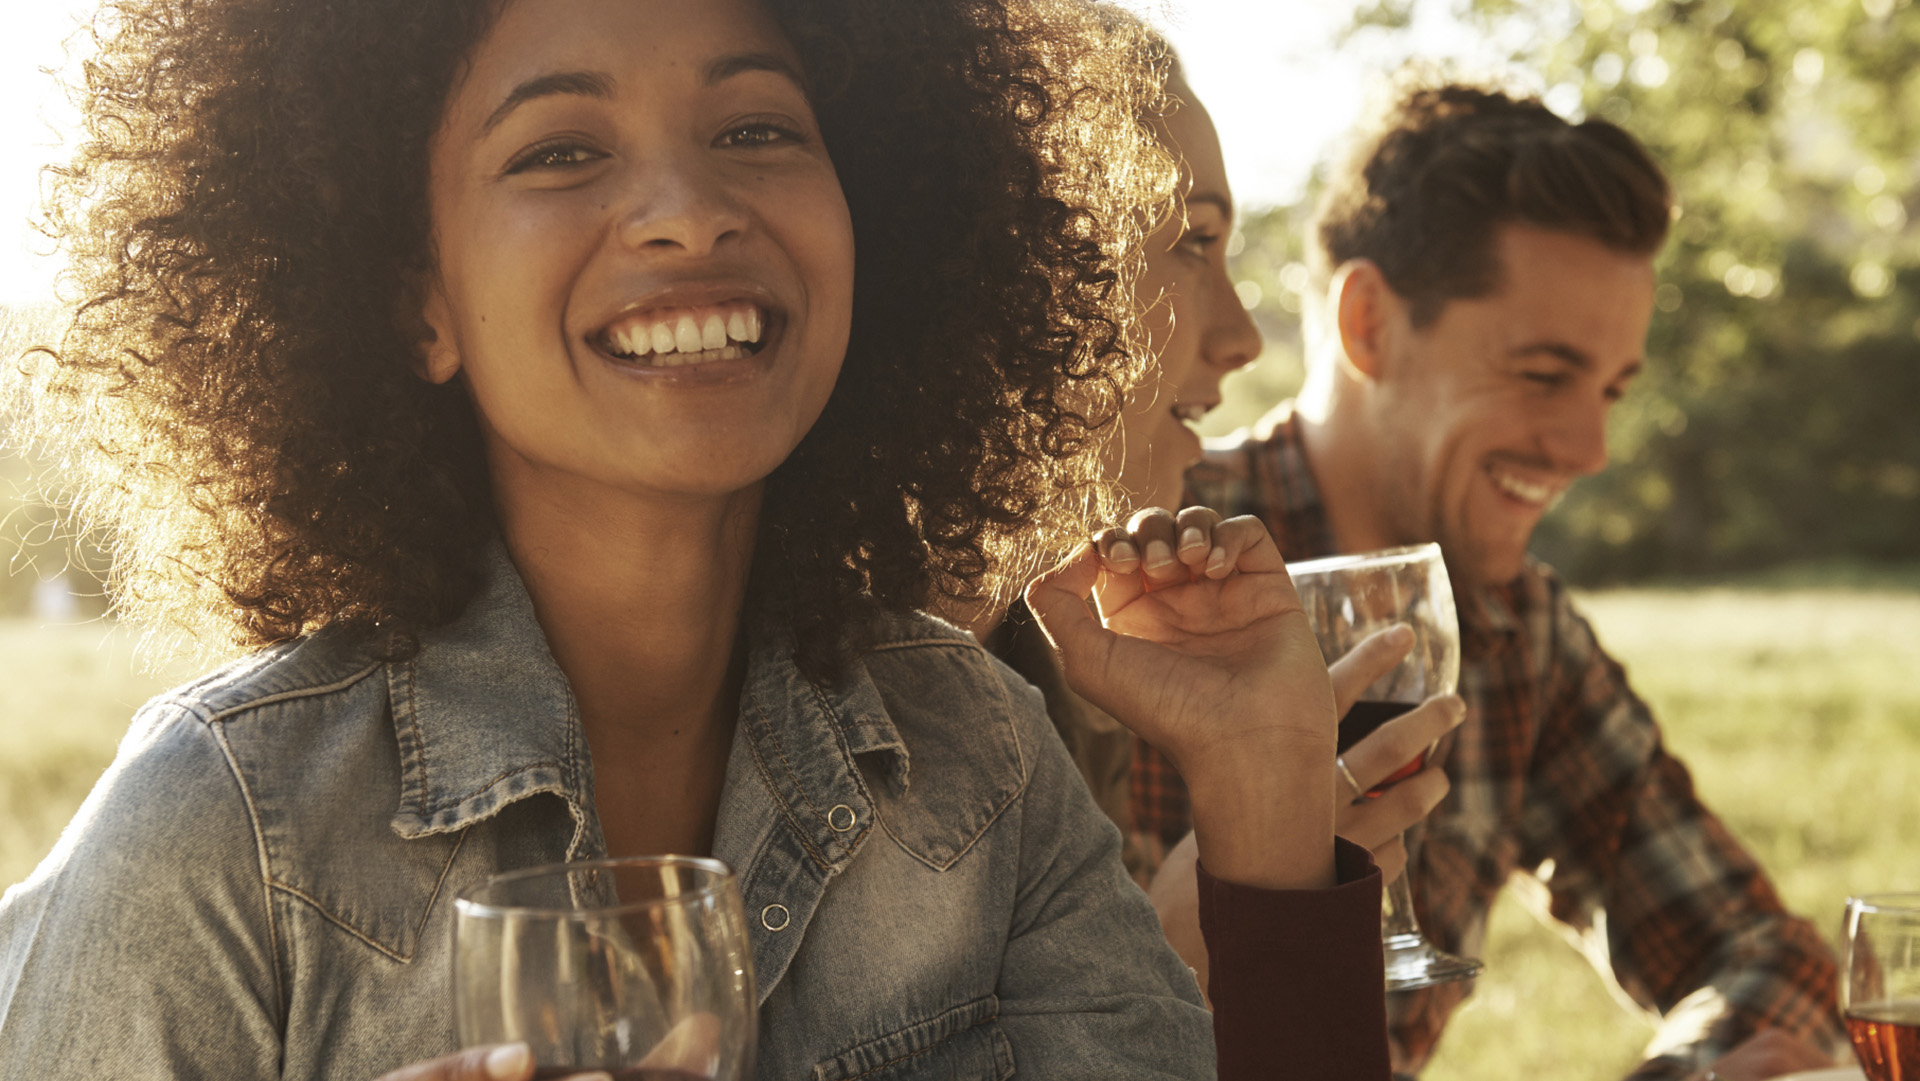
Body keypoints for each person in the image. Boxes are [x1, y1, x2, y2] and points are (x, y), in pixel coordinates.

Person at [0, 1, 1390, 1079]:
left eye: (757, 130)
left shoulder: (977, 754)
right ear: (412, 300)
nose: (689, 208)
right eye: (561, 150)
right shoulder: (222, 832)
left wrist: (1268, 790)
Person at [1132, 80, 1845, 1081]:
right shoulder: (1145, 578)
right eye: (1545, 373)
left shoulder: (1516, 632)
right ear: (1371, 323)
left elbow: (1762, 955)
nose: (1591, 446)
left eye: (1610, 389)